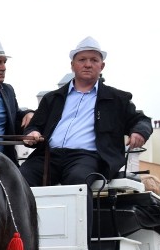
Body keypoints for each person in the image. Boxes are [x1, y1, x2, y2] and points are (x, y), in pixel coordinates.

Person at [21, 36, 152, 187]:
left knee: (78, 182)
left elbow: (142, 120)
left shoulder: (117, 99)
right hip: (48, 156)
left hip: (86, 157)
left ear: (102, 66)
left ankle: (81, 212)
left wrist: (139, 132)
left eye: (94, 60)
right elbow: (34, 126)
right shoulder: (52, 98)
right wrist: (31, 134)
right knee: (19, 179)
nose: (88, 64)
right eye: (82, 60)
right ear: (72, 65)